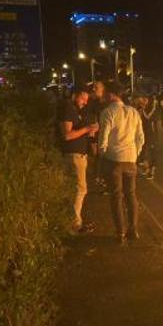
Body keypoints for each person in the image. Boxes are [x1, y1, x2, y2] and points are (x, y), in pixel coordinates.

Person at [98, 81, 144, 245]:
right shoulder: (133, 112)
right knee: (131, 195)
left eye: (105, 93)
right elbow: (140, 138)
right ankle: (134, 229)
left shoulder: (107, 112)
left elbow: (103, 139)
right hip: (130, 159)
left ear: (111, 95)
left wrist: (103, 154)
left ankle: (120, 232)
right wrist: (135, 154)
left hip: (114, 160)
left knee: (116, 196)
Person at [58, 87, 98, 234]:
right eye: (82, 98)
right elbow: (67, 135)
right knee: (80, 189)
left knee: (74, 189)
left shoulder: (74, 110)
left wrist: (89, 131)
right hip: (73, 155)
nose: (84, 102)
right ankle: (75, 224)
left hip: (77, 154)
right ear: (74, 95)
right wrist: (87, 129)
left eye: (86, 100)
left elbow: (77, 132)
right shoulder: (68, 109)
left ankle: (70, 220)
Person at [86, 81, 107, 191]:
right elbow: (90, 116)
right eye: (94, 87)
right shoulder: (93, 102)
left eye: (97, 87)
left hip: (107, 132)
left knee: (104, 156)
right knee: (98, 155)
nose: (94, 89)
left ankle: (102, 178)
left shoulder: (107, 101)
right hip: (96, 132)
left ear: (103, 88)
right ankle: (99, 178)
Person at [134, 93, 158, 180]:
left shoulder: (152, 109)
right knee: (142, 152)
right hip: (142, 133)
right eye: (142, 99)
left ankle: (152, 171)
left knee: (152, 153)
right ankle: (146, 168)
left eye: (145, 99)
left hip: (151, 134)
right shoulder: (139, 109)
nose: (143, 101)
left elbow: (148, 117)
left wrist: (143, 109)